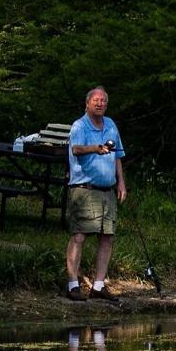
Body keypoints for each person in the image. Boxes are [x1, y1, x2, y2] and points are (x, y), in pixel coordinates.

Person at [64, 87, 127, 301]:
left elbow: (118, 155)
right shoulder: (79, 125)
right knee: (79, 236)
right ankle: (73, 284)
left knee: (107, 236)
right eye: (96, 101)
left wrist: (121, 183)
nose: (100, 104)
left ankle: (98, 286)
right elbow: (76, 149)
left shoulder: (110, 124)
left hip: (108, 190)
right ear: (88, 103)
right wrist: (96, 148)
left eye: (104, 101)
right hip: (84, 189)